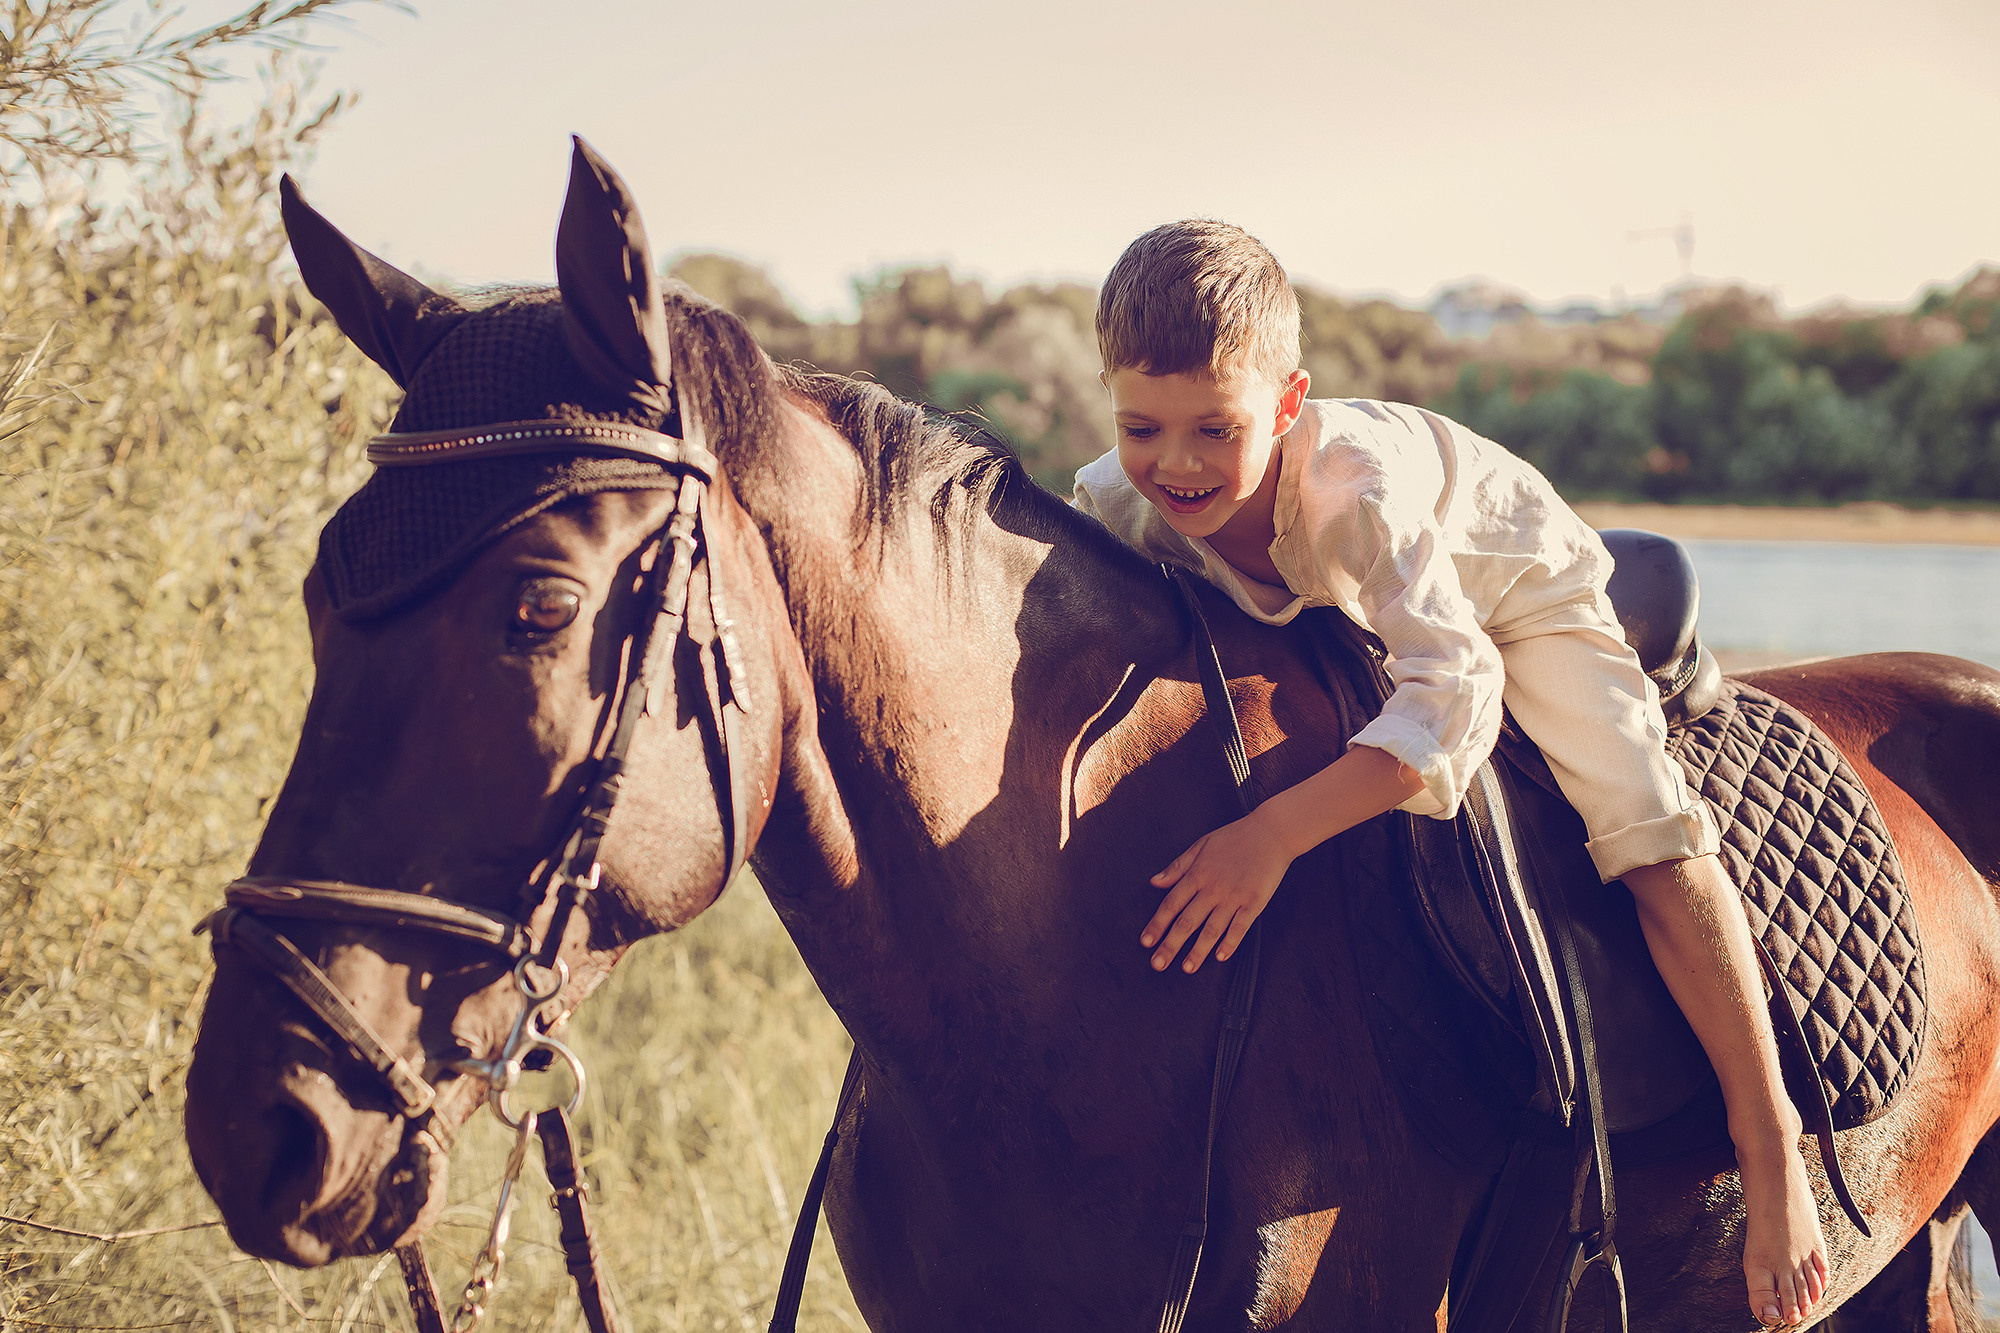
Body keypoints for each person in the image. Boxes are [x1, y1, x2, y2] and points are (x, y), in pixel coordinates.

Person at [1070, 220, 1828, 1328]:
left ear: (1287, 406)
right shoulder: (1115, 499)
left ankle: (1769, 1151)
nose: (1174, 463)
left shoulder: (1353, 493)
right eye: (1141, 425)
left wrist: (1273, 834)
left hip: (1506, 596)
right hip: (1337, 608)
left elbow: (1455, 688)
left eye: (1213, 430)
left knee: (1643, 831)